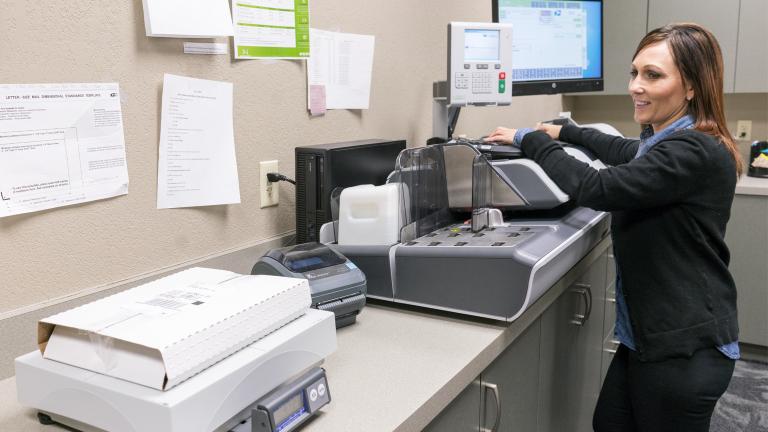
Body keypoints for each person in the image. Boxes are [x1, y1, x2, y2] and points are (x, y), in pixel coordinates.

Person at [485, 23, 743, 432]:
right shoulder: (665, 139)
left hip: (685, 348)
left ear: (692, 86)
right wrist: (567, 132)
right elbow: (625, 151)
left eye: (653, 75)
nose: (636, 86)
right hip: (649, 338)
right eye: (634, 73)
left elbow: (597, 187)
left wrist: (531, 140)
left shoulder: (695, 149)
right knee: (608, 423)